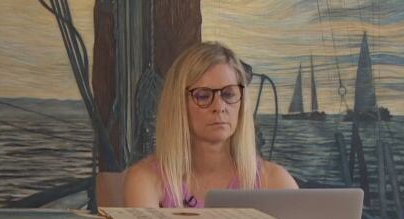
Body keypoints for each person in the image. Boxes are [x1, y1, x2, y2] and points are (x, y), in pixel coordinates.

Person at [124, 42, 298, 208]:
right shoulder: (146, 180)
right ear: (178, 104)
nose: (219, 107)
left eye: (229, 94)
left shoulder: (275, 182)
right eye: (203, 96)